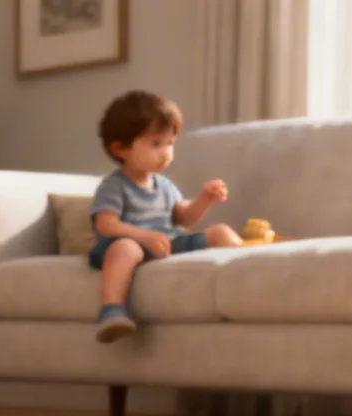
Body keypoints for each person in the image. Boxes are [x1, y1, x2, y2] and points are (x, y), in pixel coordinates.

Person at [88, 90, 242, 343]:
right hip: (121, 246)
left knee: (221, 232)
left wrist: (205, 198)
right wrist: (142, 236)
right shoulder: (114, 186)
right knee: (127, 248)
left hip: (165, 243)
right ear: (120, 148)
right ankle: (111, 311)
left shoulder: (165, 186)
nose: (166, 153)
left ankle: (239, 289)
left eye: (170, 143)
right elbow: (105, 224)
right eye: (156, 144)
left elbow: (183, 218)